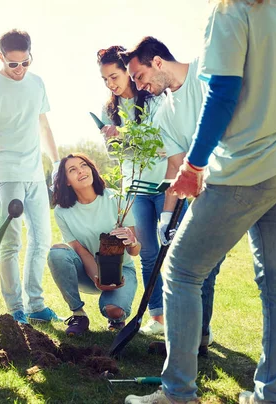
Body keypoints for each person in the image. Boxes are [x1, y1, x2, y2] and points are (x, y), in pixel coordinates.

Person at [124, 1, 276, 403]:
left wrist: (194, 163)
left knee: (182, 272)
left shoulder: (228, 13)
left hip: (247, 167)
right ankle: (269, 396)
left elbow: (222, 92)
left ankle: (177, 394)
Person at [119, 37, 226, 354]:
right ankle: (195, 340)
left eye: (139, 76)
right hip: (204, 196)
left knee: (205, 269)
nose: (138, 85)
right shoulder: (165, 113)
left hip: (239, 180)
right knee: (196, 270)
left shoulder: (204, 73)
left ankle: (190, 342)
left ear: (157, 62)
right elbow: (175, 168)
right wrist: (166, 216)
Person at [0, 29, 61, 325]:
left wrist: (57, 163)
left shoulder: (37, 84)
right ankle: (16, 309)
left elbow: (44, 127)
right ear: (1, 58)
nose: (20, 70)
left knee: (42, 239)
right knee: (12, 243)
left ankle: (36, 304)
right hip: (6, 174)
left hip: (35, 175)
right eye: (13, 64)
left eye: (25, 63)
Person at [97, 45, 169, 336]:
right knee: (148, 254)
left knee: (176, 255)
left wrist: (124, 135)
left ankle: (196, 322)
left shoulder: (154, 99)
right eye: (105, 79)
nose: (111, 83)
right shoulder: (109, 110)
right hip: (135, 188)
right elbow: (118, 156)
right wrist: (112, 139)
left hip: (165, 184)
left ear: (128, 71)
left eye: (114, 75)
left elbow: (161, 144)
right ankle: (159, 317)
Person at [48, 153, 140, 335]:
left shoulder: (117, 198)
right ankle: (78, 314)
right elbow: (80, 251)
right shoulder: (62, 212)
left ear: (92, 169)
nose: (80, 171)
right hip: (87, 271)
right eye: (72, 170)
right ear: (66, 181)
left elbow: (134, 251)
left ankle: (115, 319)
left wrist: (133, 241)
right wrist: (98, 280)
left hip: (122, 271)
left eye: (83, 165)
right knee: (57, 252)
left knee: (114, 310)